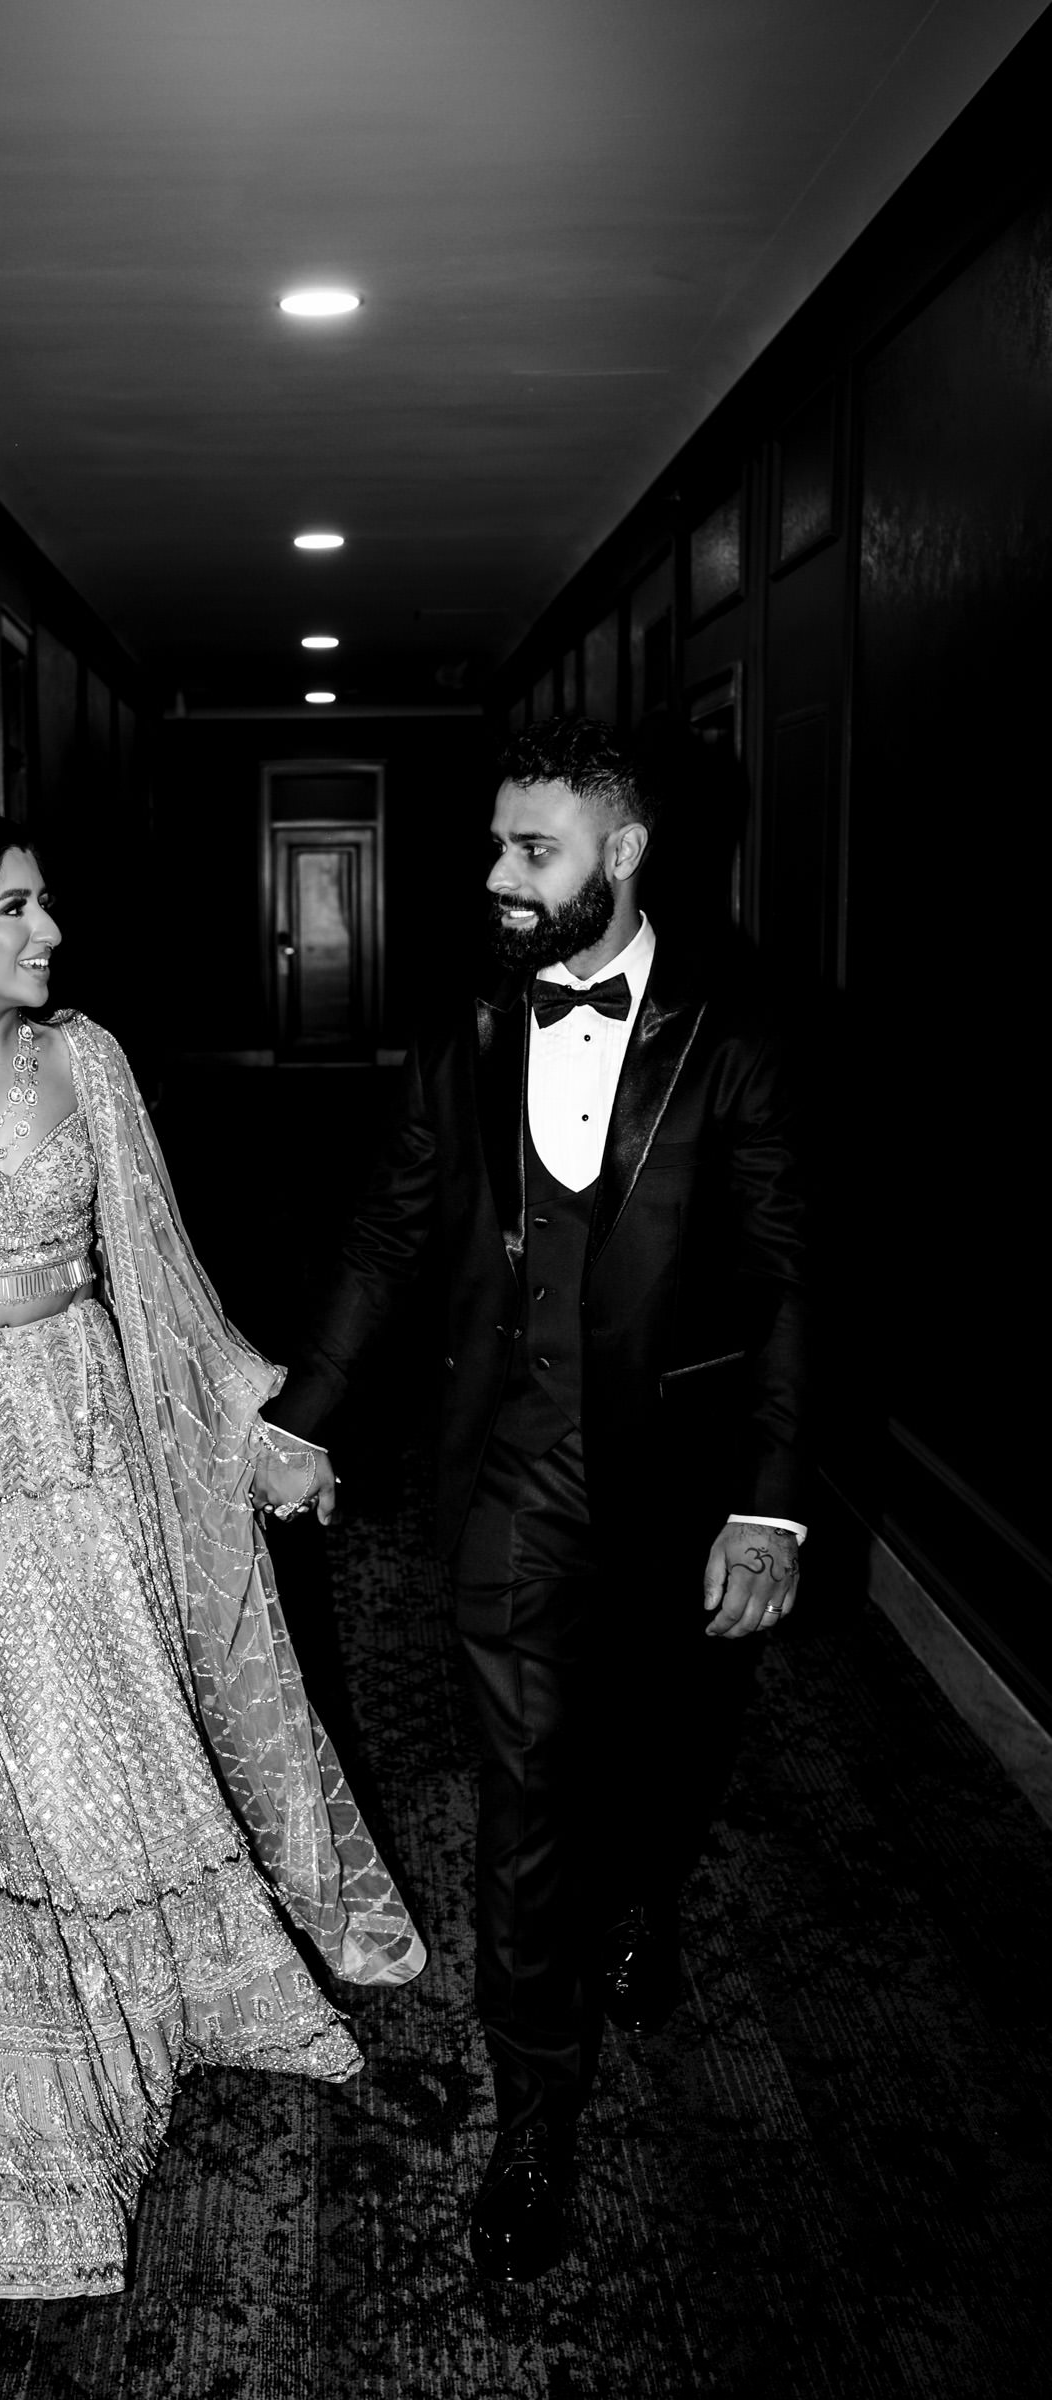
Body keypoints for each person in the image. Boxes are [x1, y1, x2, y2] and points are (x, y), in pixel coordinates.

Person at [0, 818, 423, 2307]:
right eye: (16, 907)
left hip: (76, 1424)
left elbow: (165, 1279)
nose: (50, 927)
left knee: (99, 1719)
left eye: (46, 899)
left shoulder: (95, 1064)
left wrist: (254, 1433)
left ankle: (137, 1984)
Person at [271, 718, 809, 2281]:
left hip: (683, 1479)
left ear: (621, 854)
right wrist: (306, 1420)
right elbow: (385, 1235)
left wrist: (769, 1507)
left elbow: (786, 1284)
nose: (500, 879)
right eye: (496, 846)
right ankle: (537, 2123)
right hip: (510, 1479)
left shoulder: (745, 1040)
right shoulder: (470, 1039)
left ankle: (645, 1888)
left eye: (534, 851)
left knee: (661, 1745)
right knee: (526, 1801)